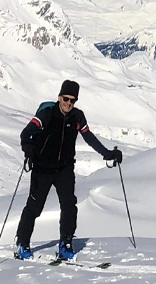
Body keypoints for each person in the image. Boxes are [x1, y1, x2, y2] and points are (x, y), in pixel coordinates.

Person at [15, 80, 123, 260]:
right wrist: (30, 150)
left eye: (73, 100)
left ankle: (66, 243)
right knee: (34, 207)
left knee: (69, 206)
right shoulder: (46, 114)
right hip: (42, 168)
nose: (69, 103)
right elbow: (25, 134)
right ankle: (22, 242)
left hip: (64, 169)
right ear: (59, 97)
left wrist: (107, 153)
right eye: (66, 99)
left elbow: (89, 137)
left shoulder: (78, 117)